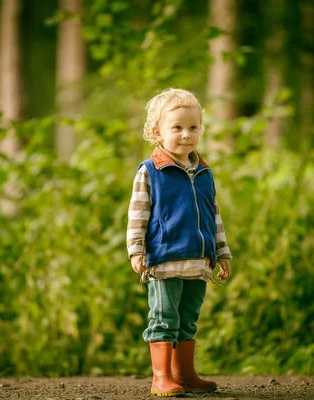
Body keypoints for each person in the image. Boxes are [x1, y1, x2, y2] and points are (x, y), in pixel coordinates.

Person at [126, 88, 232, 397]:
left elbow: (213, 215)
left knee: (188, 319)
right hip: (164, 260)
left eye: (193, 127)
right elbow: (138, 213)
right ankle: (161, 377)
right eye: (177, 128)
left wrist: (222, 251)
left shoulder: (203, 171)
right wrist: (136, 249)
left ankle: (184, 373)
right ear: (156, 131)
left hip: (198, 262)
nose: (186, 135)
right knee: (164, 319)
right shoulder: (151, 171)